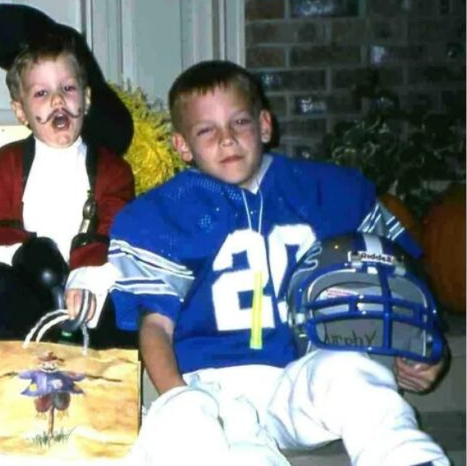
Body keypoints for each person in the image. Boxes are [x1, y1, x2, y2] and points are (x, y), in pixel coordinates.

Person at [109, 59, 450, 466]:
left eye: (239, 123)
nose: (227, 140)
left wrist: (426, 351)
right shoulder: (167, 212)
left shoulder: (323, 191)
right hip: (210, 391)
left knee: (350, 372)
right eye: (207, 131)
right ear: (182, 146)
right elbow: (155, 327)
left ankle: (404, 457)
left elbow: (397, 281)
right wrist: (178, 397)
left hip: (296, 375)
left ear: (264, 125)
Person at [0, 3, 136, 348]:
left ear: (85, 100)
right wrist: (27, 255)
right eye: (41, 94)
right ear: (21, 112)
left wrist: (87, 277)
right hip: (26, 282)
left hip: (90, 284)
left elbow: (115, 229)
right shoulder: (6, 162)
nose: (57, 101)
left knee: (126, 303)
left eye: (68, 89)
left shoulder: (111, 168)